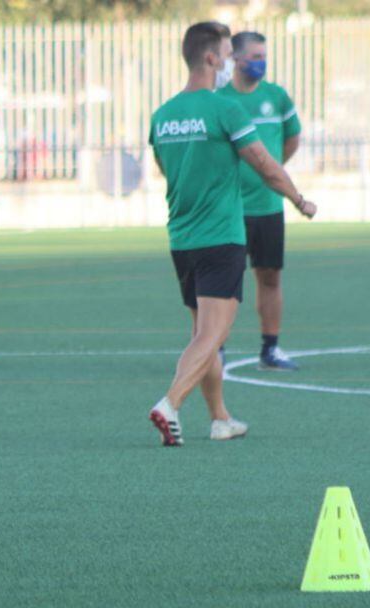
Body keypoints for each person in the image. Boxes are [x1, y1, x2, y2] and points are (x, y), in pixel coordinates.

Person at [147, 22, 317, 446]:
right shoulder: (225, 109)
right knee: (213, 335)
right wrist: (299, 200)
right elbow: (263, 163)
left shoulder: (162, 115)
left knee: (202, 334)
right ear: (210, 58)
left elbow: (166, 169)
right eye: (226, 53)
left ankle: (220, 418)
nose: (229, 62)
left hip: (181, 237)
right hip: (221, 236)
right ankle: (170, 403)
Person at [218, 31, 304, 370]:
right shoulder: (220, 100)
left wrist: (271, 171)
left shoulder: (276, 97)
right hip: (229, 209)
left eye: (263, 56)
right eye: (254, 57)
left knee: (270, 277)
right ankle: (216, 347)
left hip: (268, 206)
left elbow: (292, 139)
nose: (261, 63)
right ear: (235, 59)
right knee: (223, 282)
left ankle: (270, 349)